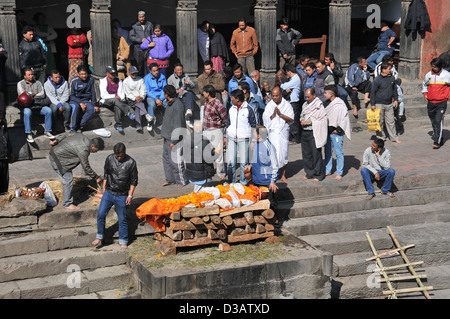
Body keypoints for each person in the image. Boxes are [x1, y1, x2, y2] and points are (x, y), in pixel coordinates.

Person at [92, 142, 138, 250]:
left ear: (125, 152)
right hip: (109, 192)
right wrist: (103, 188)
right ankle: (99, 236)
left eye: (121, 155)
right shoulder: (109, 158)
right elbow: (106, 173)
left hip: (122, 195)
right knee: (101, 214)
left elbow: (134, 181)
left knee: (122, 218)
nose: (119, 158)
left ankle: (123, 241)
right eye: (117, 156)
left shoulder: (131, 162)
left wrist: (130, 196)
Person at [49, 133, 104, 210]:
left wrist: (56, 140)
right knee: (68, 181)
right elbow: (85, 166)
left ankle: (68, 198)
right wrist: (96, 177)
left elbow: (67, 134)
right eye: (96, 150)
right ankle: (67, 204)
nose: (96, 152)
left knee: (68, 178)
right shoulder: (84, 150)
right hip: (58, 159)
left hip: (57, 154)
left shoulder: (82, 136)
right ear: (92, 146)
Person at [225, 89, 257, 185]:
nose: (231, 100)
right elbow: (228, 123)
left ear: (237, 99)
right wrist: (225, 135)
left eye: (232, 98)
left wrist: (253, 141)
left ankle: (243, 182)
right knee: (231, 162)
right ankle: (231, 182)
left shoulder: (249, 109)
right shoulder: (232, 109)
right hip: (231, 138)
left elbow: (253, 126)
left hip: (244, 139)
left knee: (244, 163)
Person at [262, 87, 294, 183]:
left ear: (281, 95)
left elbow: (291, 119)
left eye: (276, 96)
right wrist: (273, 115)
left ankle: (283, 175)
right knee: (272, 154)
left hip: (282, 133)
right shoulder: (269, 105)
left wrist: (280, 115)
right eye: (273, 96)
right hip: (272, 133)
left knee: (283, 154)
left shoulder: (287, 105)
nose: (274, 98)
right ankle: (273, 175)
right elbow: (265, 119)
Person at [245, 126, 279, 209]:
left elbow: (275, 165)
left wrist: (272, 181)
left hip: (267, 182)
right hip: (256, 180)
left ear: (258, 135)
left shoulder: (269, 147)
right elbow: (255, 159)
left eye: (254, 134)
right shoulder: (257, 144)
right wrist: (250, 165)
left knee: (270, 206)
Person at [17, 68, 55, 143]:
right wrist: (34, 93)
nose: (31, 76)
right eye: (29, 75)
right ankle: (28, 133)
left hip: (38, 105)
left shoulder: (38, 83)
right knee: (27, 112)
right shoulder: (20, 83)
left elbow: (42, 94)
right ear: (24, 76)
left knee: (48, 110)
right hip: (27, 106)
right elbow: (22, 96)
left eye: (32, 74)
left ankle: (47, 131)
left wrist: (28, 94)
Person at [160, 85, 188, 187]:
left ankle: (181, 180)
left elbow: (178, 124)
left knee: (176, 161)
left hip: (175, 139)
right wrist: (164, 134)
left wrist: (174, 141)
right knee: (167, 160)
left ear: (167, 94)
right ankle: (170, 179)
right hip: (167, 137)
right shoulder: (169, 104)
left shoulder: (178, 105)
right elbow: (167, 121)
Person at [323, 85, 351, 180]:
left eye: (325, 93)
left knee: (338, 153)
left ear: (331, 94)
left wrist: (339, 129)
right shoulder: (326, 103)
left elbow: (344, 118)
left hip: (336, 132)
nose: (324, 94)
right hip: (327, 131)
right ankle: (327, 170)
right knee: (327, 152)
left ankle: (339, 172)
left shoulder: (340, 104)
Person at [300, 88, 328, 182]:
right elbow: (302, 115)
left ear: (314, 95)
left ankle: (319, 174)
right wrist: (302, 120)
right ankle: (309, 173)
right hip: (305, 132)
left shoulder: (318, 105)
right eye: (306, 97)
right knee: (306, 154)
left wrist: (309, 122)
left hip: (314, 132)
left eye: (309, 97)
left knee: (316, 154)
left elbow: (322, 118)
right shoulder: (304, 104)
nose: (307, 99)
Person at [422, 58, 450, 149]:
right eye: (432, 66)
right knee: (433, 121)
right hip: (431, 102)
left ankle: (437, 142)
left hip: (441, 102)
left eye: (435, 67)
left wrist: (447, 95)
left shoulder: (446, 75)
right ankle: (439, 137)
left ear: (440, 66)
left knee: (438, 120)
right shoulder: (428, 75)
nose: (434, 68)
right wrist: (425, 94)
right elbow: (424, 84)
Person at [371, 62, 401, 144]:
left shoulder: (392, 79)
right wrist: (372, 104)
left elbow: (394, 90)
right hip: (379, 104)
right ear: (383, 70)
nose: (390, 70)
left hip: (388, 103)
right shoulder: (377, 80)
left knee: (391, 121)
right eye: (389, 69)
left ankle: (394, 137)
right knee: (379, 121)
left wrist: (396, 99)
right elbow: (373, 92)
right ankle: (381, 137)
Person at [201, 84, 228, 179]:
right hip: (206, 130)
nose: (203, 93)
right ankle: (209, 172)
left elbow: (224, 118)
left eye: (204, 92)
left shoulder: (218, 104)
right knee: (207, 152)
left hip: (216, 130)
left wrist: (224, 132)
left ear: (208, 93)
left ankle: (221, 172)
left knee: (218, 152)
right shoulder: (206, 102)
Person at [184, 121, 219, 192]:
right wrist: (216, 153)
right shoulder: (204, 141)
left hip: (191, 170)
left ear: (193, 129)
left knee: (199, 189)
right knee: (199, 191)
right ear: (202, 130)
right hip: (202, 171)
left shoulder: (187, 139)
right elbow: (209, 159)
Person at [99, 66, 134, 132]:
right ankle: (128, 112)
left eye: (114, 73)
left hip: (117, 101)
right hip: (106, 100)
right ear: (107, 74)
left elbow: (121, 93)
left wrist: (119, 97)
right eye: (111, 74)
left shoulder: (119, 80)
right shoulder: (103, 81)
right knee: (115, 100)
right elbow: (103, 95)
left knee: (117, 106)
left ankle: (118, 124)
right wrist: (114, 96)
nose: (113, 75)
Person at [69, 64, 98, 132]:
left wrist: (95, 105)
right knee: (75, 107)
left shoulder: (90, 79)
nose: (84, 76)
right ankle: (72, 128)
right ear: (78, 74)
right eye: (82, 74)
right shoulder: (74, 81)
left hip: (86, 100)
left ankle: (80, 125)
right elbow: (71, 95)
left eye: (85, 74)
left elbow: (93, 93)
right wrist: (80, 103)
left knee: (92, 110)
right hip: (75, 100)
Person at [167, 63, 196, 128]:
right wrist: (177, 91)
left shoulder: (185, 76)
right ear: (174, 70)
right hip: (176, 96)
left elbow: (193, 86)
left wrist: (189, 83)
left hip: (184, 94)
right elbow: (169, 91)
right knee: (180, 102)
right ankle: (187, 120)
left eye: (181, 70)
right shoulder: (170, 79)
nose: (180, 71)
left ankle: (189, 111)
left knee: (190, 94)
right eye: (178, 70)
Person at [123, 65, 150, 133]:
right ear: (129, 73)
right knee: (139, 104)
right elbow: (127, 93)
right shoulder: (126, 81)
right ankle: (146, 114)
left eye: (135, 73)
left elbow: (143, 90)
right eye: (133, 73)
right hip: (131, 99)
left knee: (138, 107)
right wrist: (135, 98)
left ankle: (138, 124)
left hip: (140, 99)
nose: (134, 75)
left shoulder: (140, 79)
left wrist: (141, 96)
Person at [280, 64, 301, 144]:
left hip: (294, 102)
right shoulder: (293, 79)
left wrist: (282, 84)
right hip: (291, 102)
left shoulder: (295, 79)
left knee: (294, 120)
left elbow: (284, 86)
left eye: (287, 73)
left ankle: (296, 138)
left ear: (289, 72)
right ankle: (292, 137)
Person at [129, 10, 154, 76]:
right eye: (140, 17)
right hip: (138, 49)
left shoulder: (149, 24)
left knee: (148, 66)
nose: (141, 18)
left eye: (143, 17)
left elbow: (152, 35)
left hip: (148, 49)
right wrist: (140, 40)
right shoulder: (134, 26)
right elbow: (131, 37)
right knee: (139, 66)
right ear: (138, 17)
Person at [144, 63, 167, 131]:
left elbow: (164, 89)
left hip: (161, 96)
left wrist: (160, 99)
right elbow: (147, 91)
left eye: (157, 70)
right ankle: (150, 122)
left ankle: (171, 120)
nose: (156, 72)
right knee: (151, 105)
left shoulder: (162, 77)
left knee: (168, 103)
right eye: (154, 71)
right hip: (151, 96)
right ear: (150, 71)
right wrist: (156, 99)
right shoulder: (146, 78)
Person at [0, 110, 12, 194]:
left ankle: (4, 194)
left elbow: (7, 140)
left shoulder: (3, 127)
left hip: (4, 156)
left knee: (5, 179)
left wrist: (10, 152)